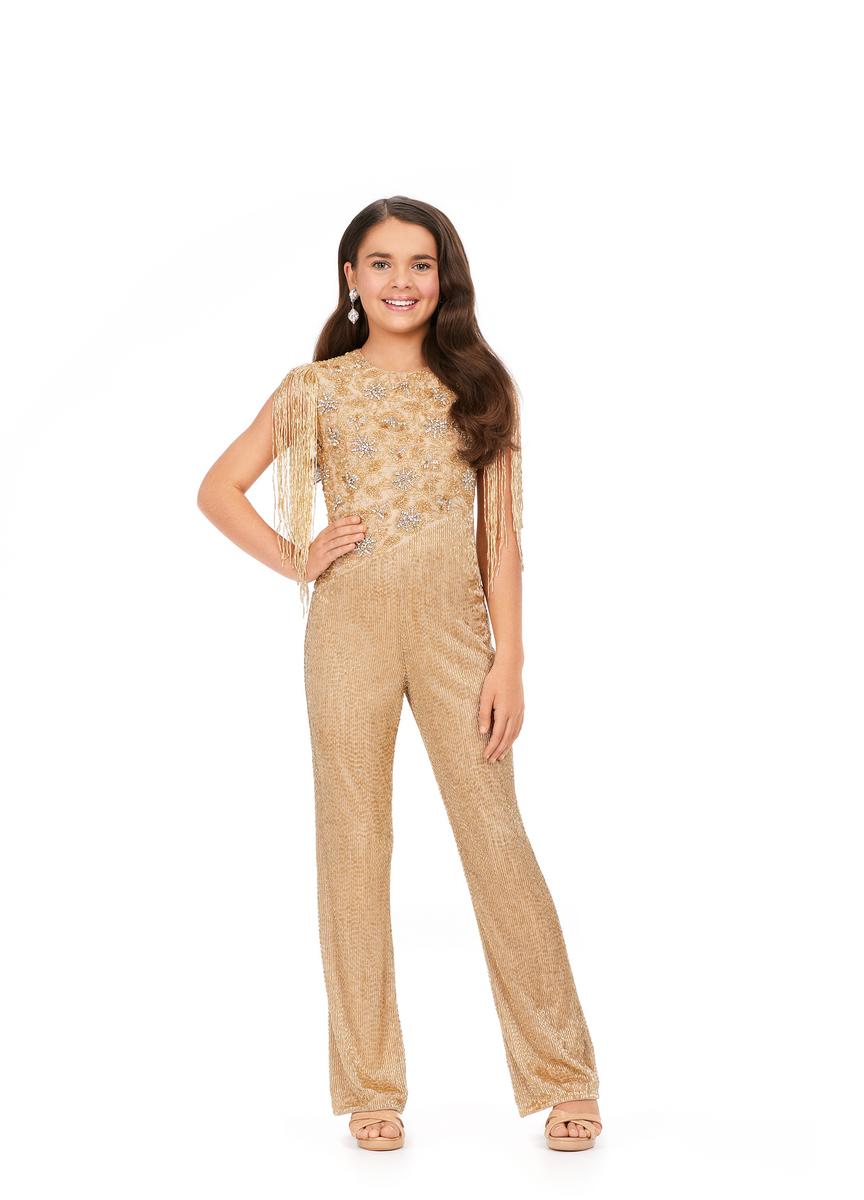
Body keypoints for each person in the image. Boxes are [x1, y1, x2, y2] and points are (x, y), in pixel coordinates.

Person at [197, 195, 603, 1152]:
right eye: (380, 263)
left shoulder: (480, 386)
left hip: (458, 634)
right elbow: (218, 487)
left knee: (496, 841)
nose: (400, 281)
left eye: (419, 263)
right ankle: (370, 1088)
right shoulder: (314, 389)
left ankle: (564, 1074)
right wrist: (298, 557)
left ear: (443, 276)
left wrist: (510, 659)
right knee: (353, 847)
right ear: (351, 277)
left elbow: (499, 536)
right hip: (348, 633)